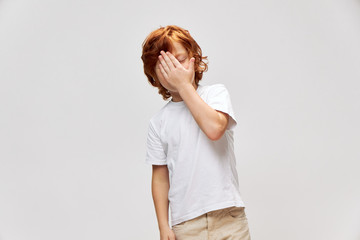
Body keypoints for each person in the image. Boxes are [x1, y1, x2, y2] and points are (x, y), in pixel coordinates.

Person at [141, 25, 251, 240]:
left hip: (228, 216)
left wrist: (184, 86)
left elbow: (215, 129)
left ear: (194, 58)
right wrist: (163, 226)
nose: (175, 71)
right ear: (153, 75)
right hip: (186, 223)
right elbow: (160, 177)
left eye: (179, 61)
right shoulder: (158, 122)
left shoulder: (215, 94)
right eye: (165, 66)